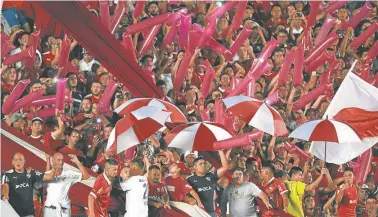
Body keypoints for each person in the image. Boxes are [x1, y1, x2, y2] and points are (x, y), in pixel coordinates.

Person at [1, 152, 53, 217]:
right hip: (12, 213)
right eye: (16, 160)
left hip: (29, 214)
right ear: (12, 162)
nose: (18, 162)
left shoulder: (31, 173)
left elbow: (48, 176)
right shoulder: (7, 175)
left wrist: (49, 160)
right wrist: (5, 195)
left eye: (20, 159)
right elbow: (5, 186)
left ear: (24, 161)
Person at [44, 153, 89, 217]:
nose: (61, 162)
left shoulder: (69, 174)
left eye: (62, 160)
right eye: (59, 160)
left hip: (64, 210)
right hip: (50, 209)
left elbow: (86, 176)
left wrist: (77, 162)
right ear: (53, 161)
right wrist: (48, 159)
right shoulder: (49, 174)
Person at [186, 150, 229, 217]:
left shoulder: (211, 175)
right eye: (200, 164)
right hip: (199, 212)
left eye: (204, 163)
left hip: (212, 212)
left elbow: (225, 167)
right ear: (194, 167)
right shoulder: (189, 179)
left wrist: (220, 151)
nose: (203, 165)